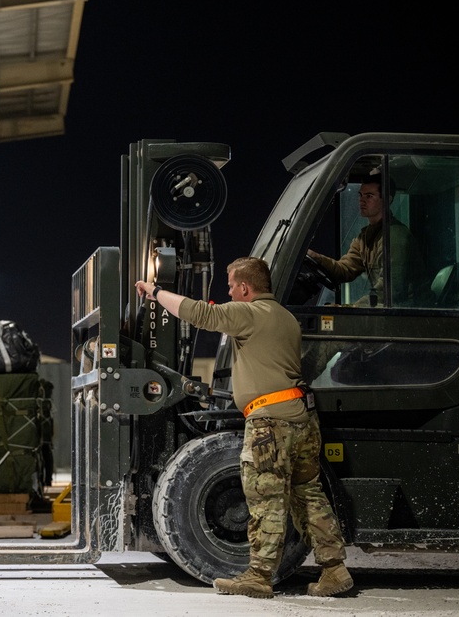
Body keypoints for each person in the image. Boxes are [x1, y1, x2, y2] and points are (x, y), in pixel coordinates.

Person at [136, 257, 353, 599]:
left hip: (271, 423)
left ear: (245, 288)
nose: (228, 292)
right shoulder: (285, 318)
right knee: (307, 495)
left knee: (266, 499)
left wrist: (155, 292)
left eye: (231, 287)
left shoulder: (250, 313)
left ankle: (259, 577)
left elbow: (201, 315)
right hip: (302, 419)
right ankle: (335, 569)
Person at [307, 176, 425, 307]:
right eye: (361, 195)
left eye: (369, 196)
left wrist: (350, 308)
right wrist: (316, 257)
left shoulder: (395, 237)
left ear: (387, 200)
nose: (362, 201)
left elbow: (389, 290)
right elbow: (345, 269)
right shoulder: (365, 236)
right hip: (388, 309)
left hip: (406, 311)